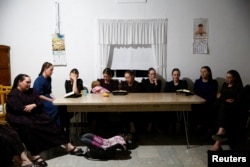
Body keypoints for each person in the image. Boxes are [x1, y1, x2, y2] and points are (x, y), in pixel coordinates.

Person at [6, 74, 83, 167]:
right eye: (27, 82)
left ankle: (68, 146)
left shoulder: (32, 91)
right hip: (18, 117)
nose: (29, 84)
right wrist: (33, 106)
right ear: (19, 82)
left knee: (49, 121)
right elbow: (19, 109)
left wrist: (34, 105)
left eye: (30, 82)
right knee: (30, 126)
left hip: (33, 114)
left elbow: (39, 102)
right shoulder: (13, 94)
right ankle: (35, 155)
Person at [209, 70, 243, 151]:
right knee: (219, 107)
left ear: (234, 78)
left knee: (224, 108)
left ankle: (220, 135)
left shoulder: (238, 87)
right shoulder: (224, 84)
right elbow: (218, 96)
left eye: (229, 77)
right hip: (222, 105)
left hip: (232, 108)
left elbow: (235, 100)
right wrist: (224, 99)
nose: (227, 79)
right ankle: (220, 133)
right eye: (226, 77)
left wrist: (222, 98)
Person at [192, 66, 218, 134]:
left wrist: (205, 98)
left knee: (212, 107)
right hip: (199, 102)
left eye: (204, 71)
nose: (202, 73)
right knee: (195, 106)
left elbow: (213, 94)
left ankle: (209, 127)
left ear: (209, 72)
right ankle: (198, 126)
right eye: (201, 72)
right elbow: (196, 93)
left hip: (209, 102)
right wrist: (202, 98)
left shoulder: (214, 82)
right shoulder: (197, 82)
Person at [165, 68, 188, 135]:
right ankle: (172, 128)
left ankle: (178, 127)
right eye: (174, 75)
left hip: (181, 103)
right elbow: (166, 94)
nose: (176, 76)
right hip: (171, 104)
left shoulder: (183, 83)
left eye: (177, 75)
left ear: (179, 75)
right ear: (172, 75)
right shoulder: (168, 84)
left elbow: (186, 92)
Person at [64, 68, 84, 137]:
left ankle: (68, 129)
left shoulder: (79, 81)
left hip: (78, 104)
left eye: (74, 76)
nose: (71, 77)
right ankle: (66, 129)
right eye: (71, 76)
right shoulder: (67, 82)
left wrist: (75, 80)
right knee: (64, 112)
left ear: (77, 76)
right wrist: (72, 81)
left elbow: (75, 92)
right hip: (69, 103)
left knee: (67, 115)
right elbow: (69, 93)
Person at [141, 68, 162, 132]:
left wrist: (155, 83)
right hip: (146, 101)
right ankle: (149, 126)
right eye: (151, 74)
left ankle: (152, 126)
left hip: (156, 100)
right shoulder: (145, 81)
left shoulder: (159, 82)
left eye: (154, 74)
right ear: (148, 75)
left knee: (156, 108)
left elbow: (157, 93)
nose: (153, 75)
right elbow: (146, 92)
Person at [120, 70, 141, 135]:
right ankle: (127, 128)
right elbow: (121, 93)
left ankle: (131, 125)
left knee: (131, 110)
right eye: (125, 78)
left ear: (132, 77)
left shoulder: (137, 84)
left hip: (134, 103)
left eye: (128, 77)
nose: (126, 79)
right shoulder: (123, 83)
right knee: (124, 110)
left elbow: (137, 96)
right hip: (125, 103)